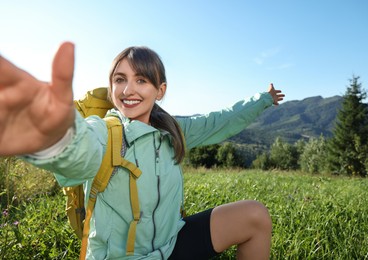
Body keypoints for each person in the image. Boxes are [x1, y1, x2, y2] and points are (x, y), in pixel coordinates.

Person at [0, 42, 285, 260]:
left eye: (142, 80)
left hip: (170, 243)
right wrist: (53, 137)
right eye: (120, 79)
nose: (128, 89)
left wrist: (262, 100)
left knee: (254, 215)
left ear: (160, 90)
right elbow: (80, 152)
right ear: (111, 88)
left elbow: (217, 121)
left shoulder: (172, 129)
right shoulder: (104, 130)